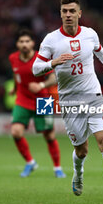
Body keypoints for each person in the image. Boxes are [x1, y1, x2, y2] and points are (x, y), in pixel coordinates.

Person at [32, 0, 103, 204]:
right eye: (64, 11)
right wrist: (53, 62)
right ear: (60, 14)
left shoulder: (90, 34)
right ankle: (78, 174)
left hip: (94, 96)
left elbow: (102, 54)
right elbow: (35, 68)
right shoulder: (51, 39)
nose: (68, 14)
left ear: (79, 13)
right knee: (81, 151)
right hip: (69, 102)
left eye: (72, 11)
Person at [9, 29, 66, 178]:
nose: (24, 44)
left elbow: (54, 79)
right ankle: (30, 162)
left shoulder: (40, 59)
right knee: (16, 132)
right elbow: (17, 75)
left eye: (27, 41)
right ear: (17, 44)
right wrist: (14, 88)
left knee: (49, 136)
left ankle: (57, 168)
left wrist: (40, 86)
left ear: (33, 43)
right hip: (22, 99)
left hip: (43, 100)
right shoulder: (13, 58)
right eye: (21, 42)